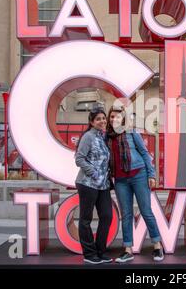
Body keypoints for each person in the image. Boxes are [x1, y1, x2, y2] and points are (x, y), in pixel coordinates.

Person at [106, 105, 164, 263]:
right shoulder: (107, 137)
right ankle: (127, 249)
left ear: (123, 118)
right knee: (126, 214)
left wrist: (151, 174)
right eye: (111, 117)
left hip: (139, 174)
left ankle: (157, 245)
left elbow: (145, 153)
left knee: (146, 211)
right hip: (120, 180)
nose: (114, 119)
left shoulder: (131, 132)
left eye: (117, 116)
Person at [75, 107, 113, 264]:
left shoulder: (103, 137)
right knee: (85, 219)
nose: (102, 121)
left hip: (103, 186)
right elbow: (79, 159)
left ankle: (100, 251)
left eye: (103, 118)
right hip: (87, 184)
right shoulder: (88, 137)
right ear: (91, 122)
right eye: (98, 119)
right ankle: (89, 254)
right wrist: (94, 173)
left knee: (107, 216)